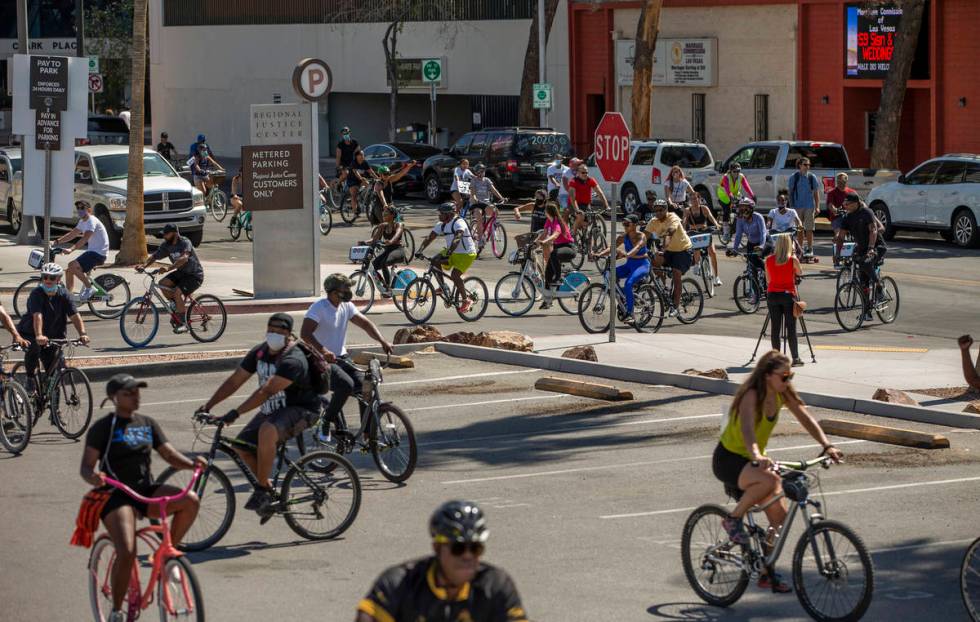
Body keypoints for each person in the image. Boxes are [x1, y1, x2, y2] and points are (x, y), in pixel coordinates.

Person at [713, 351, 843, 593]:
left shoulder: (783, 393)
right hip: (730, 459)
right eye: (784, 376)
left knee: (779, 519)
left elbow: (806, 418)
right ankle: (732, 520)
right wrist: (757, 455)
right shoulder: (751, 395)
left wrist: (827, 445)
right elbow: (748, 430)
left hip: (754, 462)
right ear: (767, 375)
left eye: (791, 375)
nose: (788, 380)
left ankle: (766, 571)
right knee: (771, 479)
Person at [80, 374, 204, 622]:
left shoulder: (147, 423)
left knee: (190, 500)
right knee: (126, 550)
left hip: (144, 491)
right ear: (114, 398)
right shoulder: (103, 428)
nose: (135, 397)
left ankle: (167, 554)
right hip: (115, 495)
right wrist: (93, 477)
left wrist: (192, 464)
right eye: (128, 393)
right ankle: (116, 610)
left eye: (137, 391)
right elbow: (86, 467)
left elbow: (168, 455)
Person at [199, 314, 321, 515]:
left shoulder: (294, 358)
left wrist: (234, 413)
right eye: (270, 330)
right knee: (241, 447)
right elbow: (235, 380)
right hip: (273, 410)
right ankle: (269, 488)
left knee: (267, 430)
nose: (273, 334)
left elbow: (266, 391)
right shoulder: (260, 353)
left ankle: (262, 490)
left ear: (288, 335)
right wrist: (208, 406)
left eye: (279, 332)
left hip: (303, 409)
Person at [355, 500, 528, 622]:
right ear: (437, 548)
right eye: (457, 548)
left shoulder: (496, 586)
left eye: (475, 548)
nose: (467, 556)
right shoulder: (399, 583)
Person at [300, 275, 394, 440]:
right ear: (334, 292)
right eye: (346, 289)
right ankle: (325, 422)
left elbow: (365, 323)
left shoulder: (346, 306)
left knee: (366, 385)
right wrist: (323, 351)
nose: (349, 292)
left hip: (341, 358)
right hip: (318, 360)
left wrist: (382, 340)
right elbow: (305, 334)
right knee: (345, 385)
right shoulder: (319, 308)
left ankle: (367, 433)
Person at [17, 263, 90, 387]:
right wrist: (39, 335)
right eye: (45, 277)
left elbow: (74, 315)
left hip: (54, 334)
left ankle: (52, 400)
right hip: (31, 332)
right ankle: (29, 378)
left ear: (58, 279)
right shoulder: (37, 293)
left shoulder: (64, 294)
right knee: (34, 348)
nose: (47, 280)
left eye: (52, 277)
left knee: (55, 371)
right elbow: (37, 315)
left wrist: (82, 334)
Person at [138, 224, 204, 333]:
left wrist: (169, 268)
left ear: (175, 234)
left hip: (194, 275)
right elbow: (155, 256)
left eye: (166, 234)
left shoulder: (185, 242)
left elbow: (184, 258)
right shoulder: (166, 245)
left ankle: (183, 324)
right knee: (163, 283)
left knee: (177, 292)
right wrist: (143, 266)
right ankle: (176, 306)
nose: (164, 236)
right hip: (181, 273)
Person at [416, 204, 479, 313]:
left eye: (441, 214)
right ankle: (443, 287)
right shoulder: (441, 225)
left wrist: (449, 253)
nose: (439, 216)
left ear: (449, 214)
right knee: (435, 260)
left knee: (454, 275)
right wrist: (419, 250)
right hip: (452, 251)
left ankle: (465, 300)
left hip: (466, 253)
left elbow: (457, 238)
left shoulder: (459, 222)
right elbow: (429, 237)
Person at [839, 192, 886, 320]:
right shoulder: (847, 217)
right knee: (863, 282)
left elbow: (874, 230)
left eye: (847, 204)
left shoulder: (867, 212)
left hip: (877, 247)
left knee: (866, 263)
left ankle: (880, 288)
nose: (845, 206)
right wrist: (838, 252)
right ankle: (867, 312)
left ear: (855, 203)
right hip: (861, 249)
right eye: (844, 203)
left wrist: (871, 248)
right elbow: (841, 236)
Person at [596, 214, 649, 323]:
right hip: (629, 265)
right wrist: (599, 254)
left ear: (634, 225)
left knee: (628, 284)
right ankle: (624, 295)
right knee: (610, 273)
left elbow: (637, 247)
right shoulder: (623, 237)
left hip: (642, 265)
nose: (624, 226)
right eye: (623, 224)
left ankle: (630, 313)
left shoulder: (641, 236)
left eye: (627, 224)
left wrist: (627, 254)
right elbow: (612, 247)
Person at [56, 200, 110, 301]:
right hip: (92, 252)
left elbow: (85, 238)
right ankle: (69, 297)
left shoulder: (91, 221)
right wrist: (56, 242)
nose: (80, 210)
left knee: (72, 265)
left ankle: (89, 288)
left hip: (98, 253)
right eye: (78, 209)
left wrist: (71, 249)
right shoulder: (82, 222)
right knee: (69, 271)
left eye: (82, 208)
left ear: (89, 210)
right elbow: (72, 234)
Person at [646, 199, 692, 315]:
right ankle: (664, 286)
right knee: (653, 262)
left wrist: (664, 248)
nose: (658, 213)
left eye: (661, 210)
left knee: (676, 276)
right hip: (669, 251)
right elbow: (643, 237)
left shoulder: (673, 217)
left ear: (666, 209)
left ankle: (675, 307)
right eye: (655, 211)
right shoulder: (654, 221)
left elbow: (670, 233)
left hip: (683, 250)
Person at [765, 234, 804, 366]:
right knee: (791, 328)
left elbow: (768, 280)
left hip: (773, 295)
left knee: (775, 328)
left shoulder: (769, 260)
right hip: (788, 296)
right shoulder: (792, 260)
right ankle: (796, 358)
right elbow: (800, 273)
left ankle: (776, 359)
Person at [536, 201, 576, 310]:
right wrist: (535, 242)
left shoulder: (557, 221)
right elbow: (544, 233)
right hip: (558, 249)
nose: (544, 212)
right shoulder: (549, 221)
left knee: (553, 253)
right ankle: (547, 301)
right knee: (548, 274)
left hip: (568, 248)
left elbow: (555, 234)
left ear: (549, 212)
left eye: (545, 210)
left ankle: (558, 278)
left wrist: (545, 241)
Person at [362, 206, 406, 290]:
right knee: (373, 267)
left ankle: (388, 287)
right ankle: (384, 284)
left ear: (392, 215)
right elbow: (374, 239)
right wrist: (365, 242)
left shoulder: (399, 225)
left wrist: (391, 241)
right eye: (383, 213)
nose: (383, 214)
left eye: (386, 213)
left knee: (384, 263)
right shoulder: (382, 226)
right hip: (388, 251)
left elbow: (397, 235)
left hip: (398, 250)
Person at [683, 193, 722, 287]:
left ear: (699, 199)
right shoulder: (688, 210)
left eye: (696, 199)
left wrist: (717, 224)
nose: (694, 201)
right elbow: (684, 222)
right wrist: (683, 230)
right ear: (690, 201)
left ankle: (717, 277)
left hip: (705, 232)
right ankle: (696, 264)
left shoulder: (704, 208)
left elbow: (711, 217)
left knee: (713, 252)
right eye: (692, 199)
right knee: (696, 249)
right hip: (694, 233)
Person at [467, 164, 505, 251]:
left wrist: (501, 198)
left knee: (495, 211)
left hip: (485, 202)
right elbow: (472, 193)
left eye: (483, 171)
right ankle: (480, 239)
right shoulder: (474, 180)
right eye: (480, 171)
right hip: (476, 203)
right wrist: (475, 198)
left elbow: (494, 190)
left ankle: (492, 229)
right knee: (479, 217)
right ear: (476, 173)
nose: (482, 173)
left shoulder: (487, 180)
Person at [788, 157, 820, 257]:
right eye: (805, 165)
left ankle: (810, 249)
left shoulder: (812, 177)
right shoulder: (794, 177)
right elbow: (790, 193)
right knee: (799, 229)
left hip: (809, 206)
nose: (807, 167)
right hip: (797, 207)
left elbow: (816, 192)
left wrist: (817, 206)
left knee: (809, 229)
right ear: (800, 165)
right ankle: (800, 249)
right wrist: (791, 207)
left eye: (809, 165)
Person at [727, 198, 769, 275]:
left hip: (765, 241)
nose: (741, 210)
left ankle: (768, 275)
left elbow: (763, 233)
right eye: (740, 207)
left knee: (755, 258)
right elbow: (738, 235)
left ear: (750, 208)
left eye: (744, 207)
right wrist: (735, 249)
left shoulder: (758, 217)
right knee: (750, 266)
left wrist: (761, 246)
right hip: (751, 243)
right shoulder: (740, 219)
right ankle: (754, 284)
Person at [716, 163, 755, 243]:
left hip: (735, 195)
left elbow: (747, 187)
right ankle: (726, 233)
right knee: (726, 210)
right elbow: (727, 190)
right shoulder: (726, 177)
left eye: (738, 171)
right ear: (730, 171)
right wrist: (731, 197)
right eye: (735, 171)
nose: (737, 173)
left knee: (742, 208)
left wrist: (753, 196)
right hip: (724, 196)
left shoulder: (741, 176)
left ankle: (735, 226)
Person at [568, 163, 609, 233]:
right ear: (578, 173)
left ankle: (586, 240)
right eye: (583, 172)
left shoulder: (590, 180)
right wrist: (577, 210)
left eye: (586, 172)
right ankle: (573, 233)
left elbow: (599, 192)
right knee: (581, 216)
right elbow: (572, 197)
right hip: (574, 204)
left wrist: (606, 205)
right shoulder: (573, 181)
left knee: (588, 222)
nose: (585, 174)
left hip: (586, 204)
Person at [824, 173, 853, 267]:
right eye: (839, 181)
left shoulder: (851, 192)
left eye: (843, 181)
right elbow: (830, 205)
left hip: (850, 217)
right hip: (838, 217)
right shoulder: (832, 192)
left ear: (846, 181)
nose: (840, 183)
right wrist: (835, 210)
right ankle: (837, 256)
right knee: (838, 235)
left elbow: (859, 202)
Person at [767, 190, 805, 256]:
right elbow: (769, 221)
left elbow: (798, 220)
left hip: (788, 236)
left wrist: (800, 225)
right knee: (772, 253)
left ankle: (799, 250)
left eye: (783, 200)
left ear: (786, 201)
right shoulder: (773, 211)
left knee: (792, 252)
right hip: (776, 237)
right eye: (779, 200)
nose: (781, 202)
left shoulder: (792, 211)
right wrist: (768, 225)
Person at [347, 150, 374, 217]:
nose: (362, 156)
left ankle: (363, 198)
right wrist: (361, 178)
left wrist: (378, 178)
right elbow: (356, 172)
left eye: (363, 155)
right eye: (361, 155)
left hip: (360, 180)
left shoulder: (365, 163)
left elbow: (371, 171)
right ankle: (355, 212)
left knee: (370, 185)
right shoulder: (354, 163)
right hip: (352, 180)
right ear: (357, 156)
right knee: (354, 195)